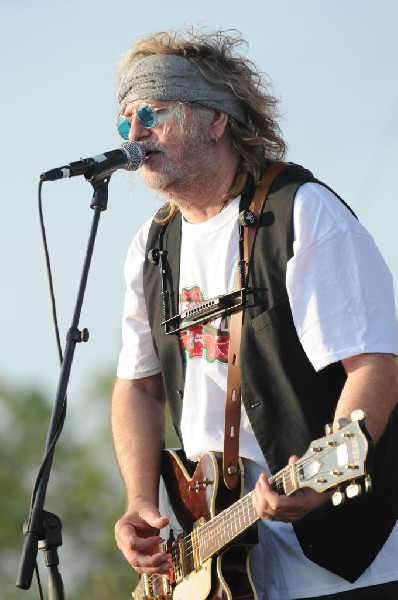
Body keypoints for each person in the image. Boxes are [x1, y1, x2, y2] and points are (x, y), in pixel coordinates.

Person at [111, 28, 398, 599]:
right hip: (216, 558)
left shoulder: (303, 213)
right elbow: (139, 387)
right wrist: (142, 501)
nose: (134, 133)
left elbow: (376, 365)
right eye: (125, 121)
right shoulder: (152, 245)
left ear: (216, 120)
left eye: (152, 112)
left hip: (342, 565)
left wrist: (323, 480)